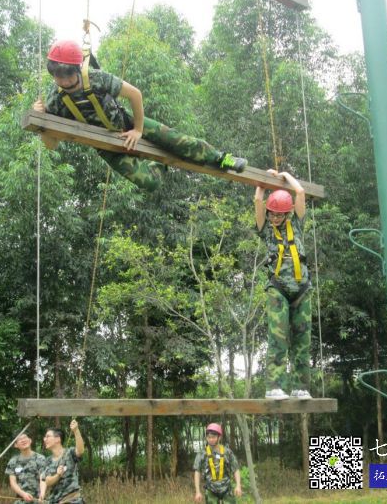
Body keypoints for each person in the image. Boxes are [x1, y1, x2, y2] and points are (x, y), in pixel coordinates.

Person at [32, 40, 247, 191]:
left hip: (127, 123)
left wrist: (138, 129)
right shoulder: (55, 99)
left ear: (77, 69)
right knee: (150, 183)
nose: (63, 81)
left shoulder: (96, 79)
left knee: (180, 141)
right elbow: (51, 145)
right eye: (57, 76)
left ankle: (223, 158)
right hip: (106, 147)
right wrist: (42, 122)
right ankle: (160, 163)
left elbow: (135, 94)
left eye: (68, 75)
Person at [255, 170, 312, 400]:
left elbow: (300, 192)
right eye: (272, 214)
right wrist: (264, 180)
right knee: (277, 337)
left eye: (279, 215)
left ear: (287, 213)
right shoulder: (266, 230)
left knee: (302, 340)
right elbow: (257, 199)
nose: (275, 218)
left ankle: (300, 387)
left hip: (302, 288)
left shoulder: (296, 225)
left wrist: (285, 175)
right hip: (278, 287)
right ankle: (274, 386)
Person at [193, 423, 242, 503]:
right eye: (209, 437)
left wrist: (238, 485)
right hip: (210, 490)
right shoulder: (202, 454)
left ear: (219, 437)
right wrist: (198, 492)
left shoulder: (227, 452)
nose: (211, 439)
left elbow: (235, 469)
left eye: (213, 437)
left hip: (227, 489)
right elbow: (197, 472)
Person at [40, 419, 84, 504]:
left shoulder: (70, 453)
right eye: (44, 437)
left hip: (73, 500)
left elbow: (80, 450)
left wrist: (76, 431)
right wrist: (58, 475)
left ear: (57, 439)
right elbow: (47, 481)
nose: (44, 439)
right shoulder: (47, 460)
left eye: (48, 436)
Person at [5, 431, 47, 503]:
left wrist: (42, 494)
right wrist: (23, 494)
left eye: (24, 437)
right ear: (15, 445)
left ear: (30, 440)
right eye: (19, 439)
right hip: (21, 499)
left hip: (38, 499)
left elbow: (43, 478)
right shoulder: (13, 461)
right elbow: (13, 482)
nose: (23, 440)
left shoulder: (40, 458)